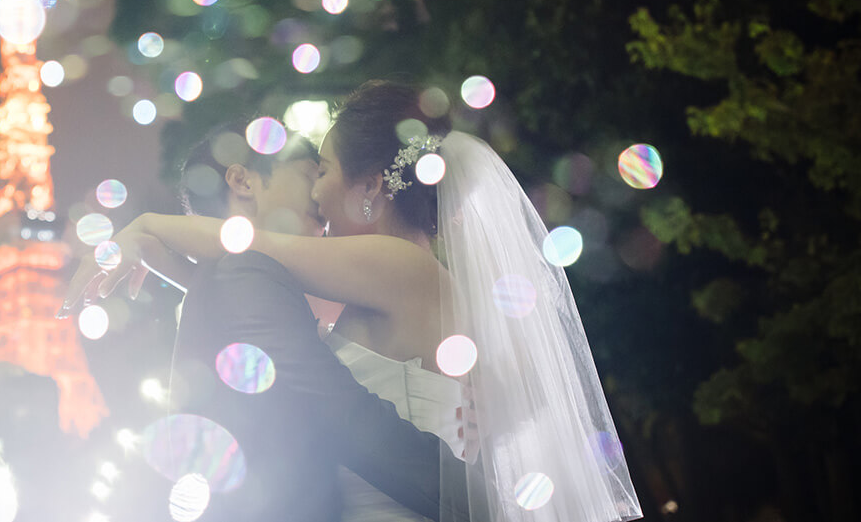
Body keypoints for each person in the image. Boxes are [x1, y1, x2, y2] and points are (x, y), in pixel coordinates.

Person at [71, 82, 643, 522]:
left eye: (322, 170)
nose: (317, 190)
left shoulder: (397, 265)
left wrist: (144, 224)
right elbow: (250, 288)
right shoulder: (394, 280)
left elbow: (248, 249)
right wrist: (155, 253)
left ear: (371, 188)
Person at [61, 121, 469, 522]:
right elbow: (341, 415)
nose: (316, 194)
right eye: (312, 173)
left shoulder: (238, 280)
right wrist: (477, 500)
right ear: (242, 181)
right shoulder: (243, 276)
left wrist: (151, 233)